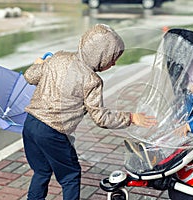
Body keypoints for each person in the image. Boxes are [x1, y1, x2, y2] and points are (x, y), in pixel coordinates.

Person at [22, 24, 157, 200]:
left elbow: (30, 76)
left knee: (41, 171)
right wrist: (131, 117)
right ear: (101, 55)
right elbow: (101, 118)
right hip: (53, 132)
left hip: (30, 125)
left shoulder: (58, 57)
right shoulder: (91, 80)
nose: (114, 63)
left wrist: (39, 64)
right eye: (113, 58)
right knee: (70, 176)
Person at [125, 60, 193, 171]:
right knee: (165, 131)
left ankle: (157, 155)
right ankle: (147, 145)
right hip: (183, 123)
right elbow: (186, 105)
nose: (191, 88)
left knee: (176, 143)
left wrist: (189, 126)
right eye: (191, 84)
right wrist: (177, 116)